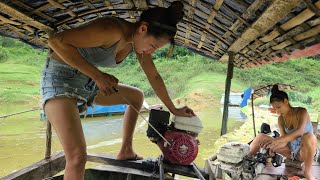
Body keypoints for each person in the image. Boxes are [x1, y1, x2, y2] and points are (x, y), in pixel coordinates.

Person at [41, 1, 195, 179]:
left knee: (136, 97)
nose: (151, 52)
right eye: (153, 46)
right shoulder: (111, 30)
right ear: (143, 29)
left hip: (88, 82)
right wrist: (98, 76)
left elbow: (154, 77)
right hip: (60, 79)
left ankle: (126, 150)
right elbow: (56, 41)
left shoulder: (136, 44)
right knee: (77, 157)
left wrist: (173, 109)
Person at [249, 85, 318, 180]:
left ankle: (308, 173)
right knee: (261, 137)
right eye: (275, 109)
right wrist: (273, 147)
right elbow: (285, 141)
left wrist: (276, 141)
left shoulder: (302, 112)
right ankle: (247, 161)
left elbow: (299, 132)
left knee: (310, 137)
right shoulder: (281, 119)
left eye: (279, 107)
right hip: (291, 152)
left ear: (286, 101)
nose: (277, 111)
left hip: (305, 153)